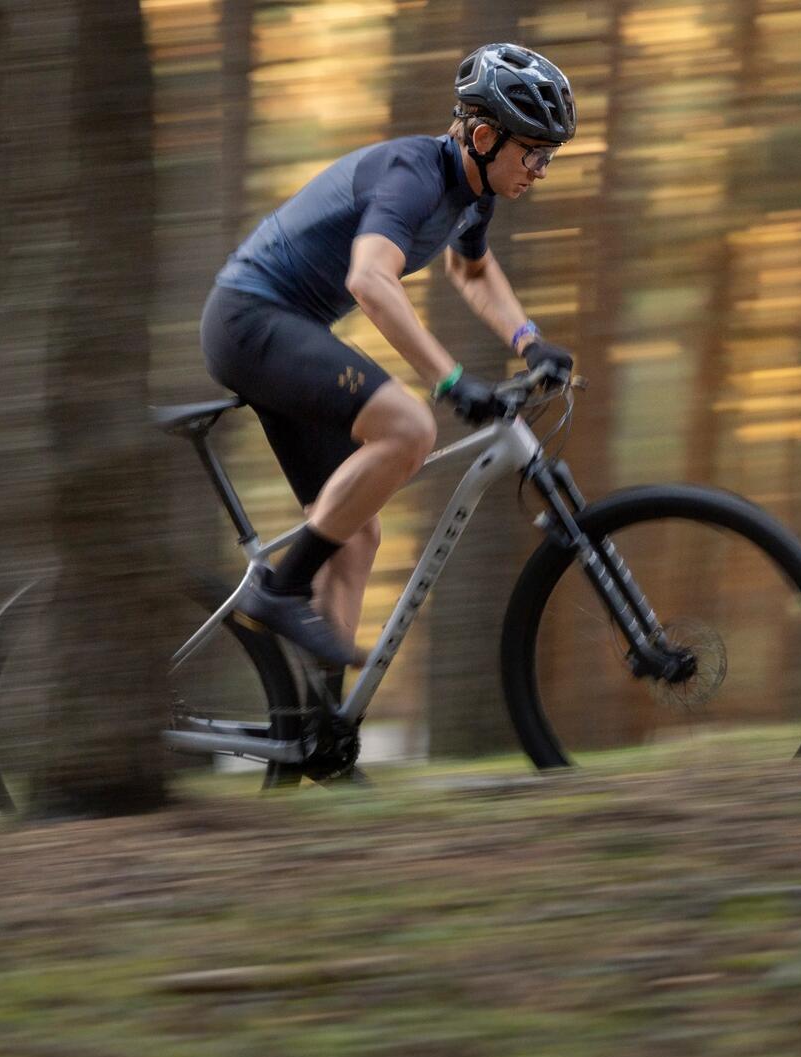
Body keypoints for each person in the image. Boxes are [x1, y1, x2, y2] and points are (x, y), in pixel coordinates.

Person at [201, 43, 578, 671]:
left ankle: (323, 737)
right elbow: (370, 279)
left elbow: (474, 270)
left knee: (354, 533)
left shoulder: (473, 194)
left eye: (549, 155)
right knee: (408, 427)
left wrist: (528, 341)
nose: (541, 168)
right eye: (533, 152)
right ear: (484, 135)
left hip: (278, 328)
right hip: (249, 320)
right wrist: (450, 379)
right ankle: (282, 590)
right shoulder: (414, 173)